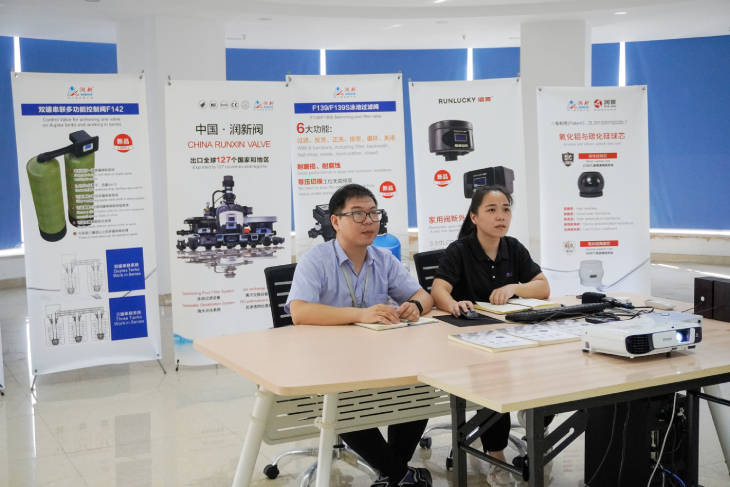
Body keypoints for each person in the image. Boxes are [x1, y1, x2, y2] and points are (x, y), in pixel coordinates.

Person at [286, 183, 435, 487]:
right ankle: (399, 474)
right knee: (345, 401)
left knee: (418, 387)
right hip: (329, 363)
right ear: (335, 221)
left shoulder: (384, 259)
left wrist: (415, 306)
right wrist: (359, 314)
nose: (368, 221)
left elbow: (423, 295)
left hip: (377, 359)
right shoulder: (315, 260)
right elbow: (299, 311)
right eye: (357, 214)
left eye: (373, 213)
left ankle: (394, 474)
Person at [430, 185, 551, 487]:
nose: (501, 216)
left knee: (551, 367)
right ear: (474, 217)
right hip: (471, 342)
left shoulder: (513, 247)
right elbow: (438, 289)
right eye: (492, 210)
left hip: (510, 335)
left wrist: (515, 288)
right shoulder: (460, 250)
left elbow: (542, 286)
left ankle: (534, 420)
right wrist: (453, 304)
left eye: (506, 209)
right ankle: (496, 458)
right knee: (494, 379)